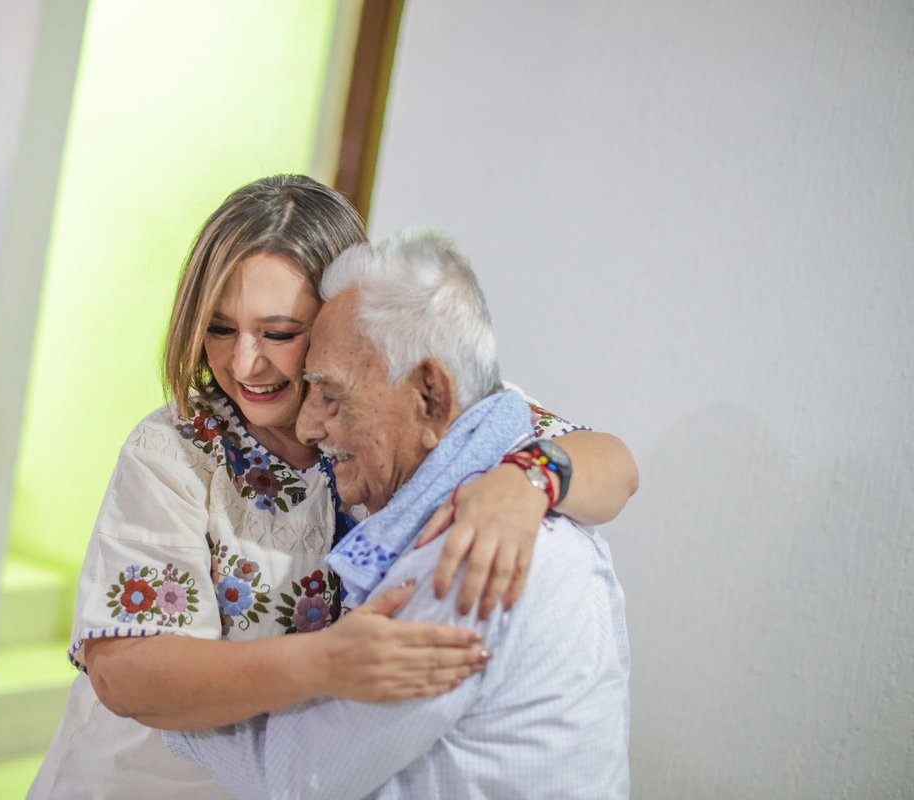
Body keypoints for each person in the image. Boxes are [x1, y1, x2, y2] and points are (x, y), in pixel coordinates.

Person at [29, 176, 638, 799]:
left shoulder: (418, 411)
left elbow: (614, 465)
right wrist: (325, 663)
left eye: (279, 333)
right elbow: (125, 673)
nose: (244, 364)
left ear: (344, 318)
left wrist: (527, 479)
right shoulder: (175, 452)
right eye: (219, 328)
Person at [165, 229, 630, 799]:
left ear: (431, 395)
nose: (308, 427)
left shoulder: (471, 557)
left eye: (330, 394)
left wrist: (175, 704)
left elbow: (292, 778)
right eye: (220, 327)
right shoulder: (487, 454)